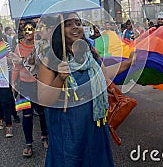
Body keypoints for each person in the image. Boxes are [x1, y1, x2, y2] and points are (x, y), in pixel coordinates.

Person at [37, 12, 135, 167]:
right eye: (68, 24)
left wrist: (129, 63)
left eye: (78, 23)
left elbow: (105, 74)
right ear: (59, 30)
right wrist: (59, 78)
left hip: (95, 121)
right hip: (68, 125)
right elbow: (43, 101)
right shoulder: (50, 59)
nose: (75, 27)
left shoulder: (91, 52)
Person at [12, 21, 48, 158]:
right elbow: (16, 66)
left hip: (40, 85)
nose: (28, 32)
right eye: (25, 30)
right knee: (26, 115)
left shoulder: (41, 46)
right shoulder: (18, 48)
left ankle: (45, 136)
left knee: (42, 112)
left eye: (31, 29)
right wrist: (13, 84)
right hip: (23, 86)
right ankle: (28, 144)